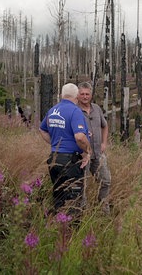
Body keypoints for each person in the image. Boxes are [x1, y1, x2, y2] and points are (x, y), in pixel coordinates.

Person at [39, 83, 91, 214]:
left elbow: (42, 129)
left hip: (54, 160)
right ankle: (72, 230)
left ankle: (57, 224)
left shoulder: (52, 110)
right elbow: (79, 137)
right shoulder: (75, 111)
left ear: (62, 95)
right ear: (77, 96)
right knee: (74, 200)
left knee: (59, 196)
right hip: (70, 161)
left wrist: (56, 144)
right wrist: (87, 151)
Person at [77, 81, 111, 213]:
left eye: (87, 94)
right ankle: (82, 212)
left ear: (91, 95)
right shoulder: (75, 110)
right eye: (82, 94)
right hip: (82, 154)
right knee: (82, 185)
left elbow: (105, 125)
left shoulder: (96, 108)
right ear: (78, 95)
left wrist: (104, 143)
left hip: (98, 153)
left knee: (106, 181)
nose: (85, 97)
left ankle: (103, 209)